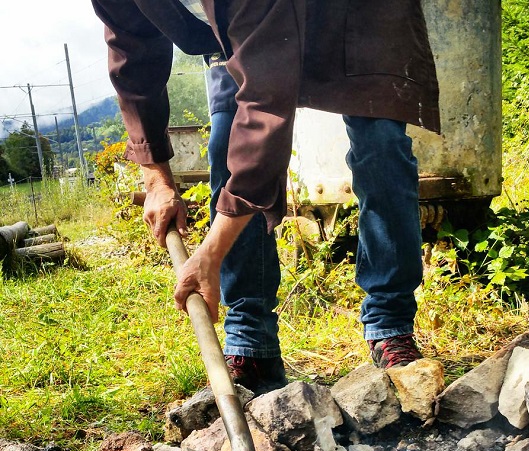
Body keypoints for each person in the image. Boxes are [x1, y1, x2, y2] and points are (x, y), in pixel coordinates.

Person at [91, 0, 440, 395]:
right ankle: (251, 342)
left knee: (382, 145)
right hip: (240, 31)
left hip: (355, 14)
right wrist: (156, 177)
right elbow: (132, 54)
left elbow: (264, 113)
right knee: (226, 145)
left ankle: (389, 324)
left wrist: (210, 253)